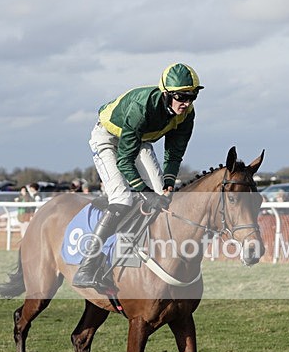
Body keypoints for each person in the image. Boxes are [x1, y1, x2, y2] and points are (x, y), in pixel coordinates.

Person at [72, 63, 203, 289]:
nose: (187, 102)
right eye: (182, 96)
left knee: (162, 196)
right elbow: (124, 159)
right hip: (107, 139)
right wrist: (143, 192)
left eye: (192, 96)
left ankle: (147, 256)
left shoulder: (186, 114)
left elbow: (174, 153)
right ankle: (87, 266)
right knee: (123, 198)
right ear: (166, 94)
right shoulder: (141, 107)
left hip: (138, 140)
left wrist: (169, 183)